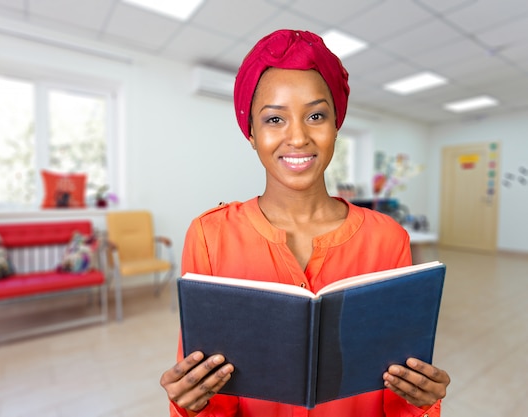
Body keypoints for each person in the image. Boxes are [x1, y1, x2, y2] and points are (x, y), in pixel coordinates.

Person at [160, 29, 450, 417]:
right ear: (251, 134)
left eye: (316, 115)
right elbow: (210, 394)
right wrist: (190, 403)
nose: (297, 137)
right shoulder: (210, 236)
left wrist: (422, 399)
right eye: (274, 119)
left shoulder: (388, 238)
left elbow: (397, 399)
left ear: (335, 126)